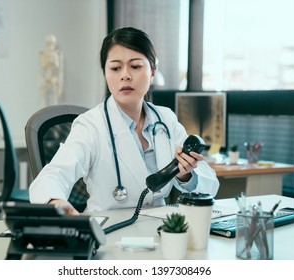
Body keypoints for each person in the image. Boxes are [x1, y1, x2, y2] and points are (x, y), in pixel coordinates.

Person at [29, 27, 219, 215]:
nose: (125, 75)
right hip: (109, 230)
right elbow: (55, 174)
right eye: (115, 68)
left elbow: (209, 185)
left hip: (161, 227)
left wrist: (186, 175)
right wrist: (55, 202)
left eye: (135, 66)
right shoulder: (91, 125)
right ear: (105, 72)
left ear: (153, 71)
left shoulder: (166, 120)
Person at [39, 35, 64, 107]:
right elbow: (40, 69)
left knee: (55, 99)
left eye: (52, 43)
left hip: (54, 78)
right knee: (43, 99)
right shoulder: (43, 54)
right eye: (48, 43)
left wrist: (60, 87)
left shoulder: (58, 54)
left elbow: (60, 71)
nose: (50, 45)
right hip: (46, 77)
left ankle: (55, 113)